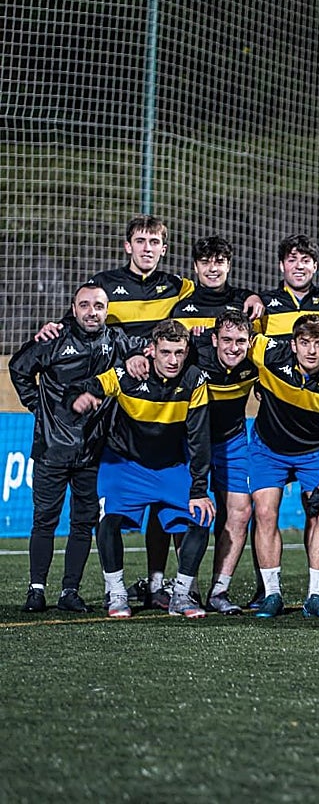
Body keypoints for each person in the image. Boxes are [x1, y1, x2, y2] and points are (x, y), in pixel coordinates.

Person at [10, 282, 145, 612]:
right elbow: (18, 368)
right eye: (84, 305)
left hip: (92, 451)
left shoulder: (116, 340)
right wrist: (39, 407)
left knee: (83, 523)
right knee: (44, 521)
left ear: (107, 310)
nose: (91, 312)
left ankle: (69, 591)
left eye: (98, 306)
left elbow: (151, 349)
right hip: (52, 449)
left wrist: (140, 355)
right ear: (73, 309)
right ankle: (36, 590)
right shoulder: (54, 338)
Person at [68, 319, 214, 619]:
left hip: (170, 465)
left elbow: (199, 438)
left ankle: (181, 595)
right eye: (166, 352)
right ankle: (117, 593)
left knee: (201, 517)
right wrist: (81, 398)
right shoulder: (128, 374)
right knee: (107, 520)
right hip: (125, 464)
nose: (173, 360)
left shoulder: (195, 379)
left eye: (179, 353)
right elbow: (88, 385)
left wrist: (199, 489)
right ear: (152, 350)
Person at [246, 315, 319, 619]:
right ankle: (271, 594)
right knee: (264, 510)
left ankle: (316, 596)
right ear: (293, 344)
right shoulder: (269, 354)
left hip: (315, 451)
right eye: (305, 343)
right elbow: (236, 337)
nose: (311, 351)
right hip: (268, 449)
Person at [192, 311, 258, 615]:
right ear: (214, 339)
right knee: (192, 511)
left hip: (233, 441)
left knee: (242, 511)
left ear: (250, 342)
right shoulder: (194, 356)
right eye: (227, 340)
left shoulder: (256, 362)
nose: (233, 348)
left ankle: (219, 590)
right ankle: (187, 588)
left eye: (241, 341)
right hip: (192, 442)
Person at [170, 236, 264, 332]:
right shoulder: (179, 310)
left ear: (228, 266)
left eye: (219, 262)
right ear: (196, 266)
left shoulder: (247, 307)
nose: (213, 269)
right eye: (205, 262)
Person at [257, 235, 319, 338]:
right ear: (282, 266)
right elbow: (252, 340)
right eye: (292, 260)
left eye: (305, 261)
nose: (299, 266)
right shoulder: (262, 302)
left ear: (315, 267)